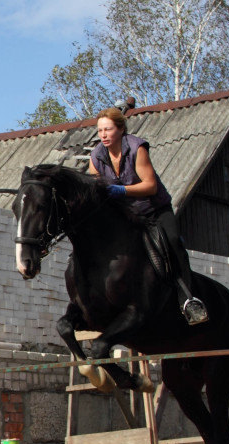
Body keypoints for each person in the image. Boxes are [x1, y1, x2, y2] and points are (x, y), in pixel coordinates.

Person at [88, 107, 209, 326]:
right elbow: (95, 186)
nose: (103, 135)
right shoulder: (96, 155)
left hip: (154, 210)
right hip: (125, 214)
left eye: (108, 130)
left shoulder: (136, 147)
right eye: (100, 131)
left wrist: (122, 191)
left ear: (121, 129)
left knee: (172, 242)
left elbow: (151, 186)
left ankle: (189, 301)